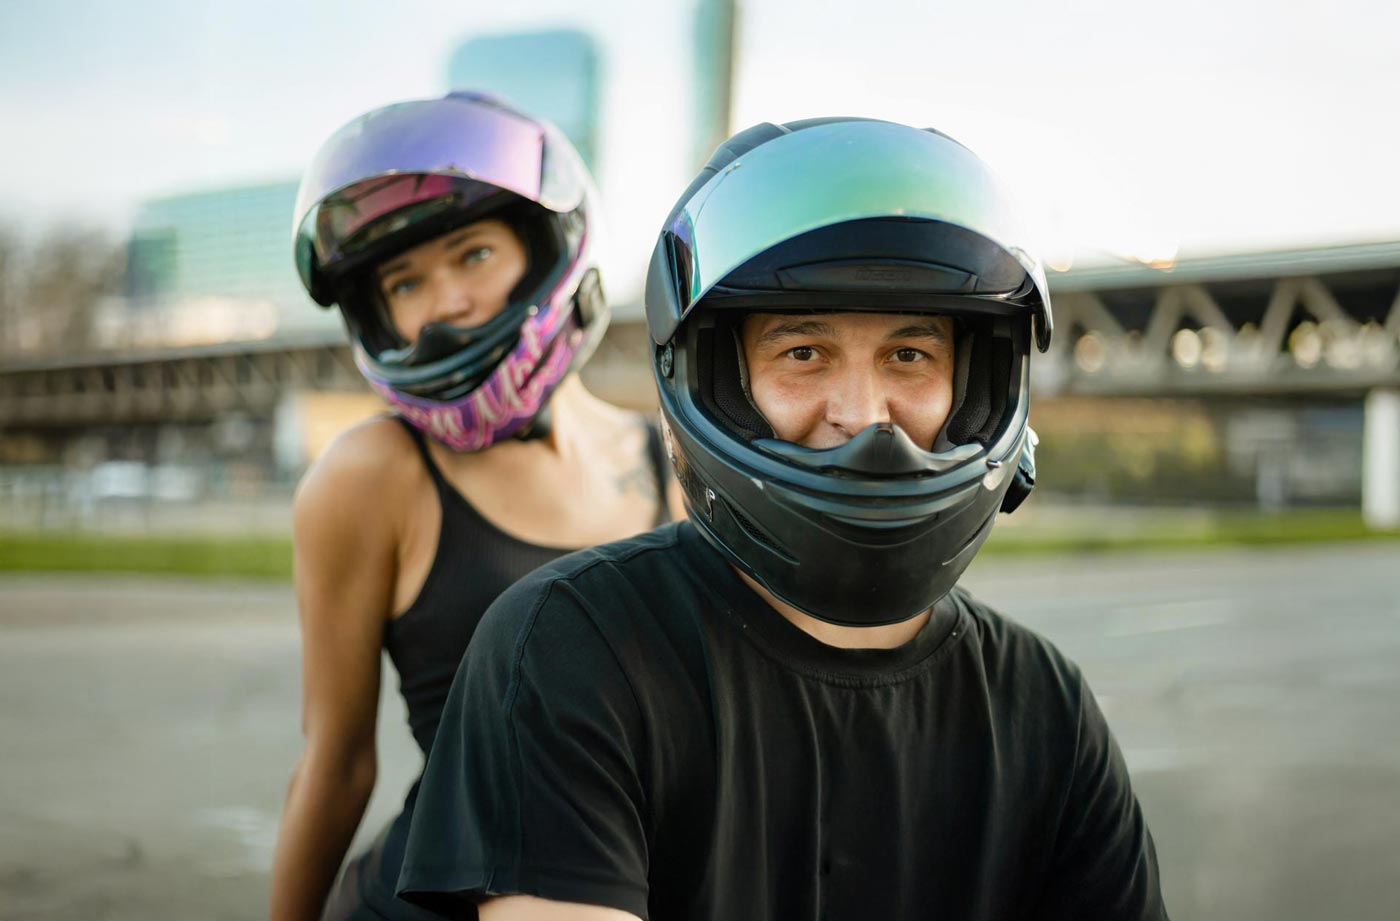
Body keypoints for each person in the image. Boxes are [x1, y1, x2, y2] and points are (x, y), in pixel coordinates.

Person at [395, 118, 1169, 920]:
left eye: (909, 355)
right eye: (804, 354)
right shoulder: (570, 647)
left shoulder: (1045, 705)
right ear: (715, 379)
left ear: (976, 387)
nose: (863, 417)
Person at [269, 92, 683, 921]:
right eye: (405, 281)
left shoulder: (666, 459)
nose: (447, 301)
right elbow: (337, 761)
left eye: (474, 254)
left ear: (545, 248)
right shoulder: (372, 473)